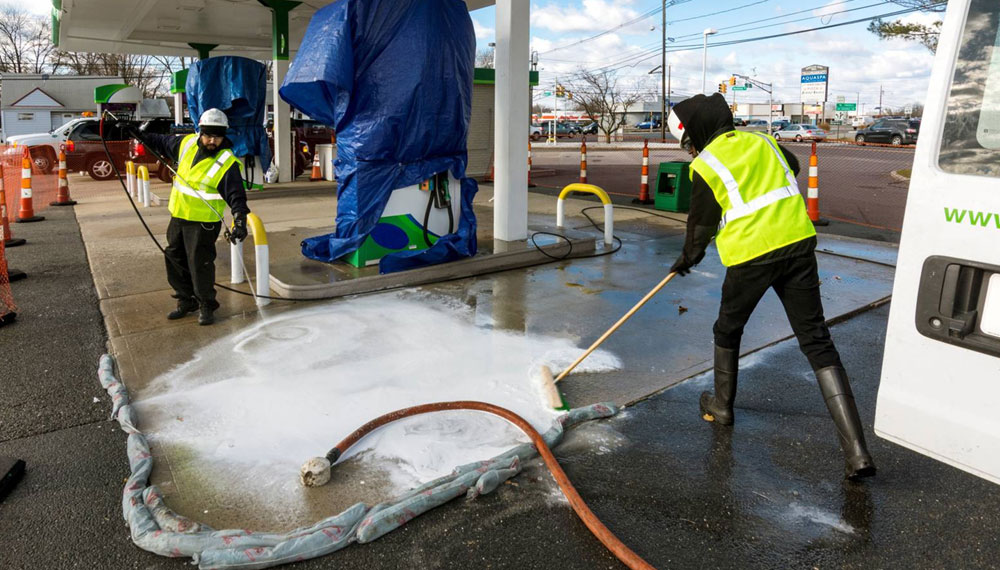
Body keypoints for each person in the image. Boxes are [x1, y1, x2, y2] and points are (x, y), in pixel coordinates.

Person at [666, 94, 875, 480]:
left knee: (728, 329)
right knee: (815, 338)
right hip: (797, 244)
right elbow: (790, 168)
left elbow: (701, 223)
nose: (690, 149)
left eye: (687, 142)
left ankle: (723, 407)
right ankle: (857, 452)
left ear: (695, 132)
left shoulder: (706, 165)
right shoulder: (763, 141)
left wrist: (688, 258)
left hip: (751, 255)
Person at [131, 109, 250, 326]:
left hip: (204, 222)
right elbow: (160, 141)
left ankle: (206, 304)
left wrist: (240, 219)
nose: (212, 140)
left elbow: (237, 196)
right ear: (200, 132)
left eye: (217, 136)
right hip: (178, 216)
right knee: (174, 258)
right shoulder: (186, 145)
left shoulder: (227, 162)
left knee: (199, 263)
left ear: (224, 135)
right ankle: (186, 300)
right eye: (208, 135)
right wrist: (137, 134)